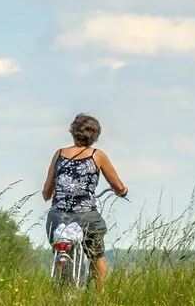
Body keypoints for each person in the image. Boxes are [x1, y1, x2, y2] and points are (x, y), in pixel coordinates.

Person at [42, 113, 127, 291]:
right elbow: (118, 186)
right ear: (95, 136)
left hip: (58, 217)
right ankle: (100, 294)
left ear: (73, 132)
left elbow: (47, 192)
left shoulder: (59, 154)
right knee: (97, 254)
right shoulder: (97, 155)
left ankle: (60, 272)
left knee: (60, 247)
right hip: (86, 216)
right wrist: (122, 191)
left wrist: (51, 195)